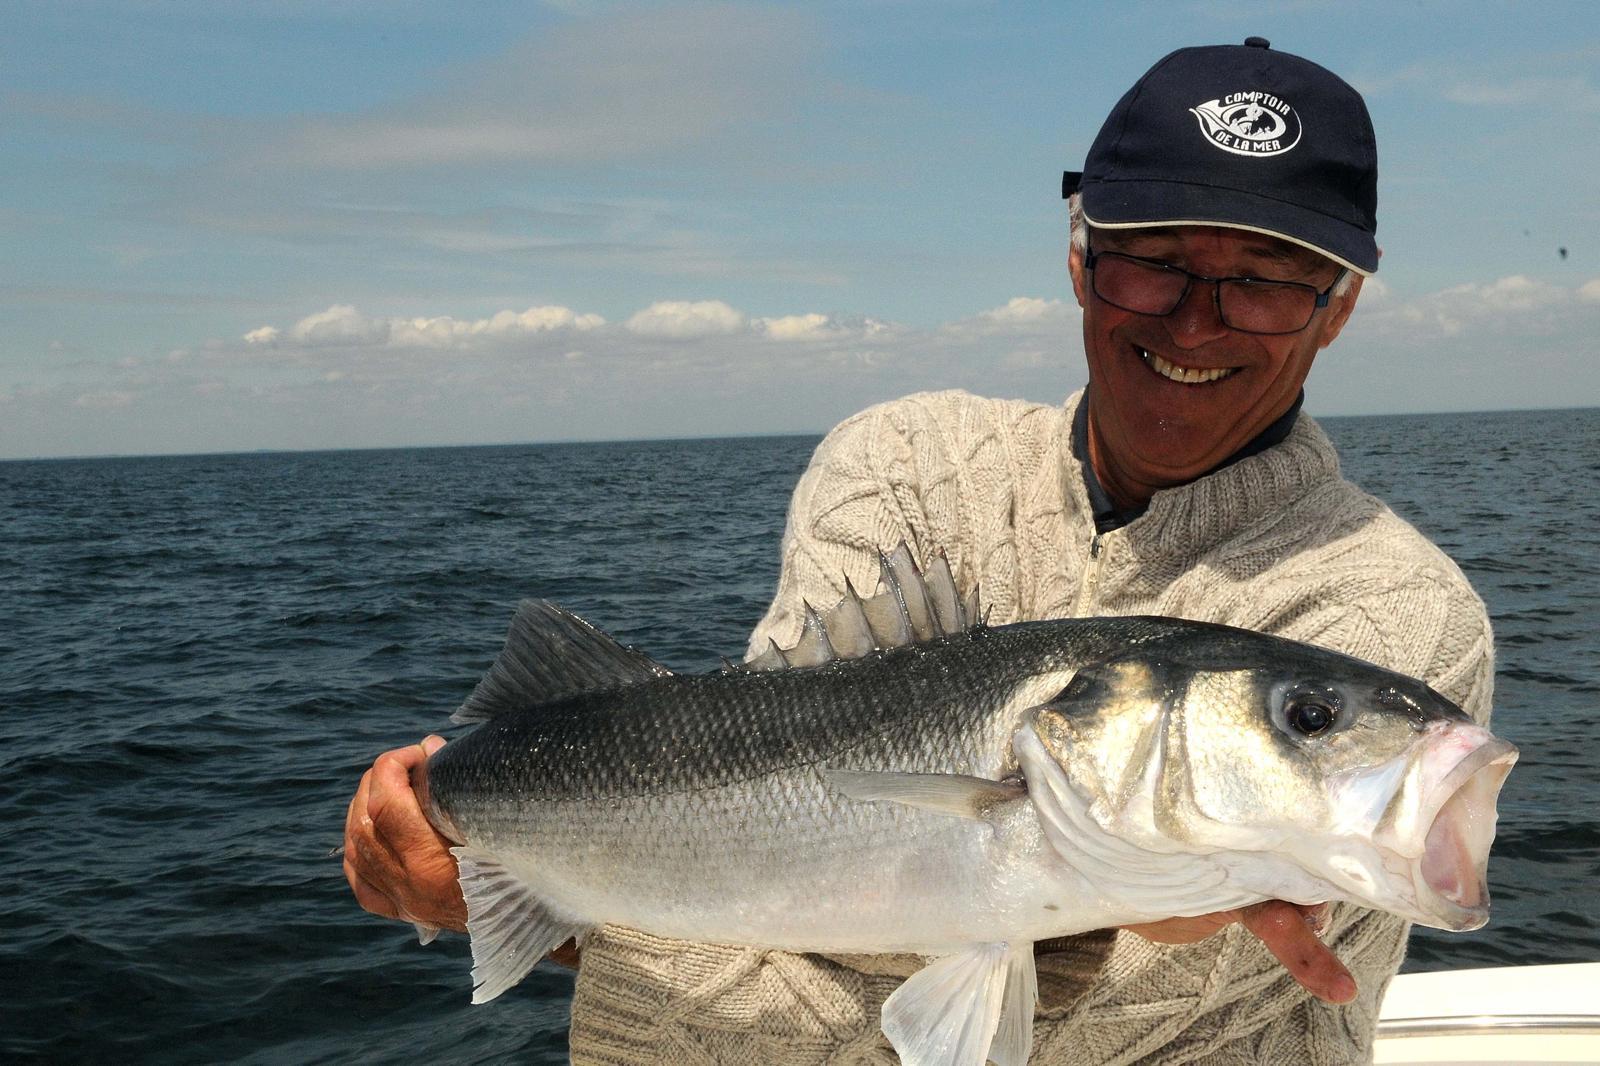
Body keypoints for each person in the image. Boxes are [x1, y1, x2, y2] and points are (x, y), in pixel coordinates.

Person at [344, 38, 1494, 1063]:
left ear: (1340, 304)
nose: (1194, 322)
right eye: (1151, 260)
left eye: (1264, 283)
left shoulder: (1393, 611)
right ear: (1078, 257)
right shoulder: (902, 462)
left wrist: (539, 905)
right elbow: (787, 857)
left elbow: (1088, 1033)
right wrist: (480, 876)